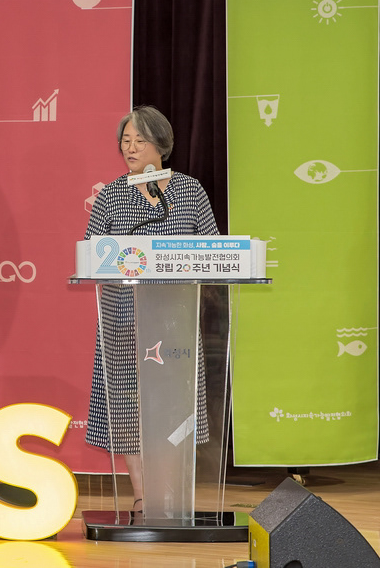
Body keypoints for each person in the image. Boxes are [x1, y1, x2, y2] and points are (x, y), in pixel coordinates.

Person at [84, 105, 219, 514]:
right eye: (125, 141)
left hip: (175, 320)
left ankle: (170, 492)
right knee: (128, 407)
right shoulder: (111, 194)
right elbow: (91, 254)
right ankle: (143, 495)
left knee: (174, 407)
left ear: (161, 144)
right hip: (124, 320)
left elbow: (213, 250)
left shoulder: (190, 191)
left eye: (139, 141)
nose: (130, 148)